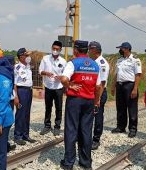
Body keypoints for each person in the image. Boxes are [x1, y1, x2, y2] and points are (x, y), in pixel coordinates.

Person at [60, 40, 101, 170]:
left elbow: (63, 79)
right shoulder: (95, 65)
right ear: (86, 50)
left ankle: (68, 163)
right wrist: (96, 101)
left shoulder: (73, 63)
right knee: (86, 130)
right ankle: (85, 162)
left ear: (76, 50)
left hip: (75, 100)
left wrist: (70, 85)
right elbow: (99, 86)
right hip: (89, 101)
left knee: (71, 130)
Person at [111, 42, 142, 138]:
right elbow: (116, 74)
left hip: (130, 85)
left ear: (127, 49)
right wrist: (113, 86)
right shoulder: (119, 60)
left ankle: (132, 129)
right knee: (120, 107)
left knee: (132, 108)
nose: (120, 50)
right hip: (120, 85)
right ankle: (120, 126)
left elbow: (138, 75)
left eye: (121, 48)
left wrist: (135, 89)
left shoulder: (135, 60)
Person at [39, 40, 67, 136]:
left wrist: (60, 77)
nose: (55, 50)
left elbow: (66, 76)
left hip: (59, 87)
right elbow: (40, 71)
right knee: (48, 107)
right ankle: (47, 126)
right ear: (51, 48)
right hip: (48, 87)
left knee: (58, 108)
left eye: (57, 49)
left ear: (60, 50)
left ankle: (57, 127)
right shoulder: (45, 58)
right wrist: (46, 73)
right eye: (54, 48)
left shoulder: (63, 61)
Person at [88, 41, 110, 150]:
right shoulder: (92, 61)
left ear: (95, 50)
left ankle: (96, 139)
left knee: (98, 116)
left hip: (99, 93)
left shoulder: (102, 63)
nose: (88, 51)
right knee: (89, 115)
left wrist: (98, 99)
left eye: (90, 49)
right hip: (91, 92)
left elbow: (102, 83)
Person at [13, 47, 37, 145]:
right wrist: (16, 96)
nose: (28, 57)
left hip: (29, 91)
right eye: (26, 55)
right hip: (21, 91)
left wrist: (29, 53)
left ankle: (25, 135)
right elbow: (14, 84)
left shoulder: (27, 66)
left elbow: (34, 56)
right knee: (20, 113)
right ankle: (17, 136)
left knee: (27, 114)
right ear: (21, 57)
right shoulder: (17, 67)